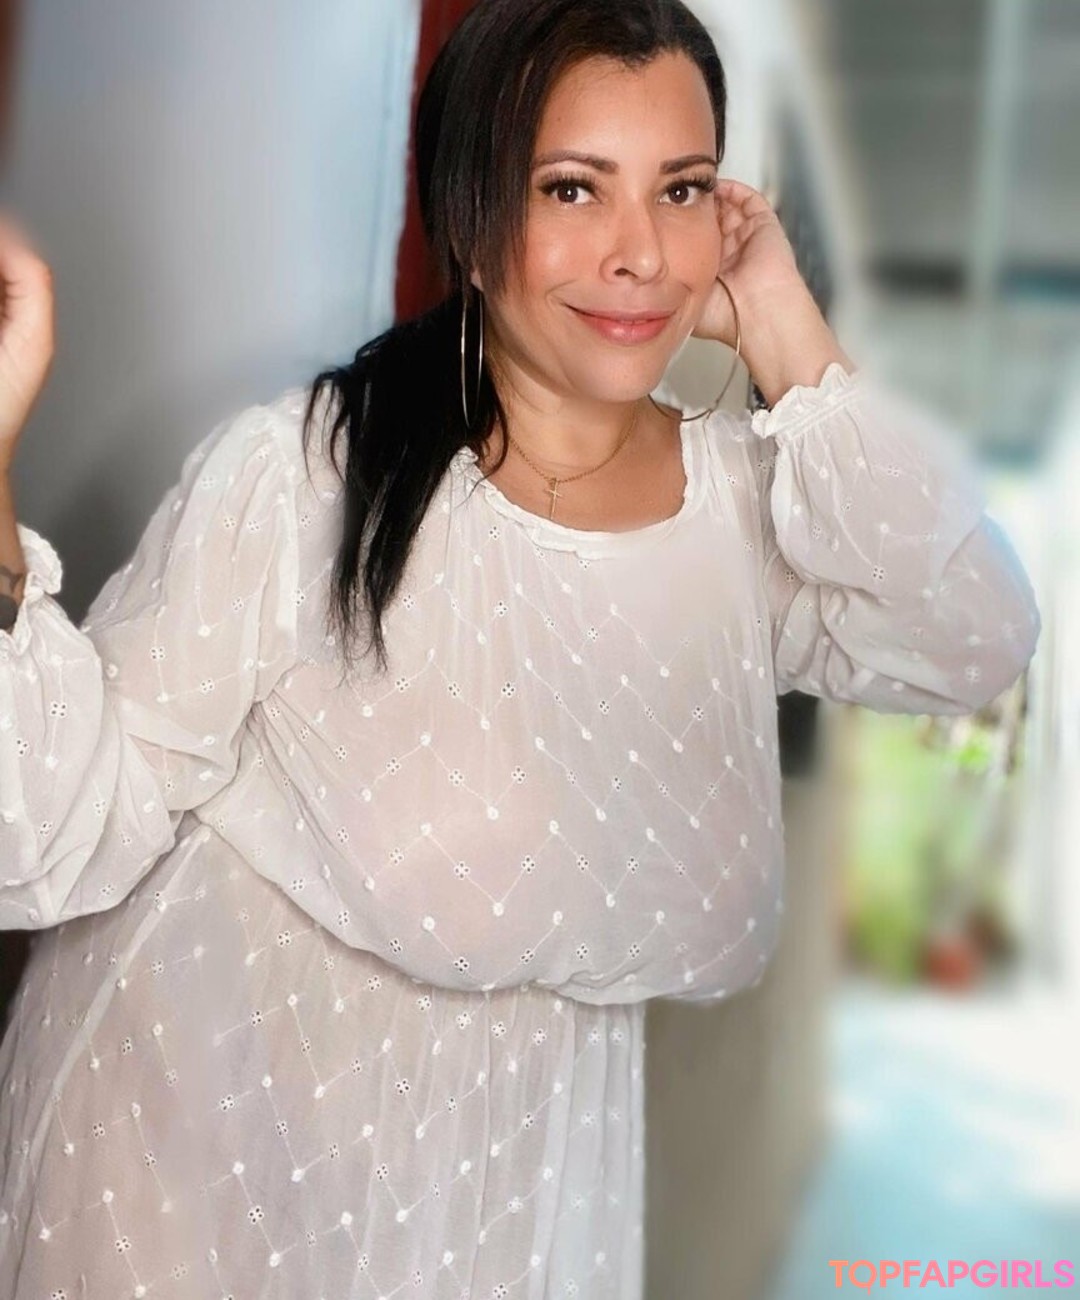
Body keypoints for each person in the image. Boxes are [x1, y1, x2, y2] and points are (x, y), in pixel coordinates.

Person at [0, 0, 1042, 1295]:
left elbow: (974, 634)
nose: (640, 254)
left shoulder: (742, 517)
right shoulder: (305, 477)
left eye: (681, 190)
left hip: (516, 1196)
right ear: (473, 214)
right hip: (202, 1175)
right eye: (573, 189)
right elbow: (54, 830)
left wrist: (786, 325)